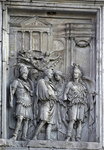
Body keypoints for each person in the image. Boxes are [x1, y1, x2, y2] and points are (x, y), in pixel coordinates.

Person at [63, 64, 88, 141]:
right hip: (73, 103)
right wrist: (65, 99)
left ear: (79, 74)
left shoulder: (82, 85)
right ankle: (68, 136)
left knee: (80, 121)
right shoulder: (70, 84)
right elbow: (65, 94)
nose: (75, 74)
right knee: (72, 120)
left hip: (81, 103)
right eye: (74, 73)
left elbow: (85, 94)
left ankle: (78, 137)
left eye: (76, 73)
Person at [9, 64, 34, 140]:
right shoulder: (16, 82)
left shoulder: (28, 83)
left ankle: (24, 136)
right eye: (24, 73)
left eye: (26, 74)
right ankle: (15, 136)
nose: (26, 75)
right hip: (20, 101)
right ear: (21, 73)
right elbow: (12, 91)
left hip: (28, 102)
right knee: (20, 118)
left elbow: (31, 93)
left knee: (26, 120)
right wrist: (10, 101)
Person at [32, 68, 57, 140]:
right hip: (44, 103)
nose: (51, 75)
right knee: (43, 120)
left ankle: (48, 138)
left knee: (50, 122)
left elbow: (53, 93)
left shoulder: (50, 84)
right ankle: (34, 136)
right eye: (50, 73)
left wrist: (53, 94)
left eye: (52, 74)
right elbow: (45, 93)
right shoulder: (41, 81)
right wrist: (51, 94)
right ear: (46, 73)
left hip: (51, 105)